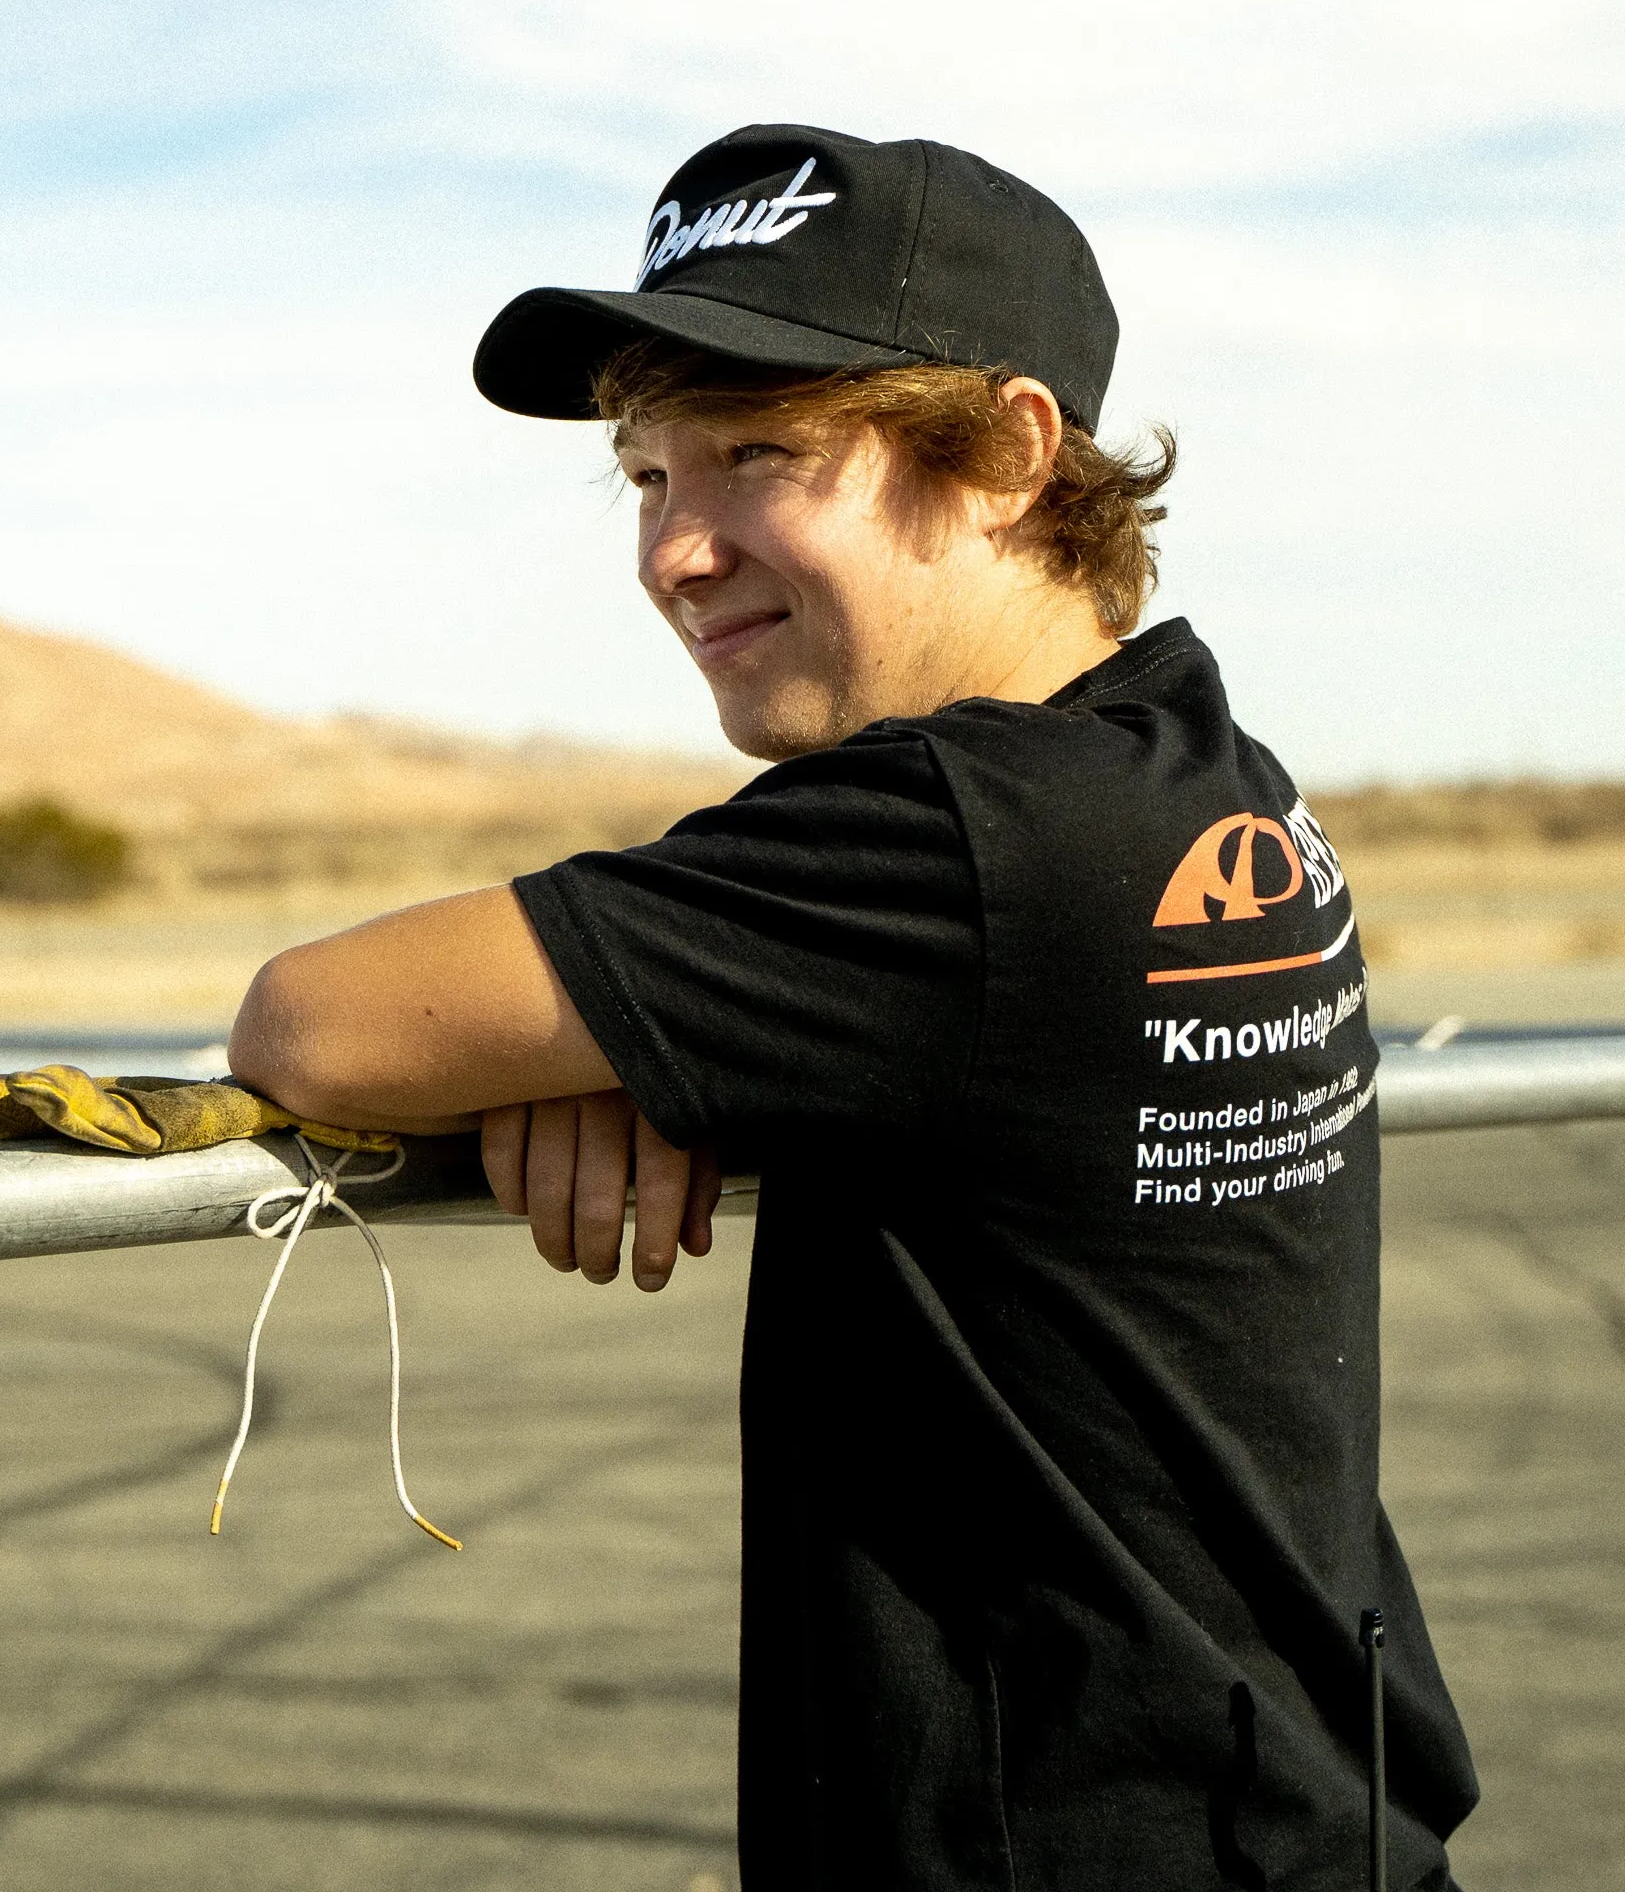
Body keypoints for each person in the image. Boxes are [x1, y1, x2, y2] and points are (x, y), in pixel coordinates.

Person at [226, 124, 1478, 1889]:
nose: (678, 549)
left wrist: (610, 1037)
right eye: (648, 476)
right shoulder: (1197, 776)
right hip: (1292, 1822)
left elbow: (309, 1025)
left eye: (760, 454)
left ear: (1007, 460)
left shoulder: (952, 841)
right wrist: (653, 1044)